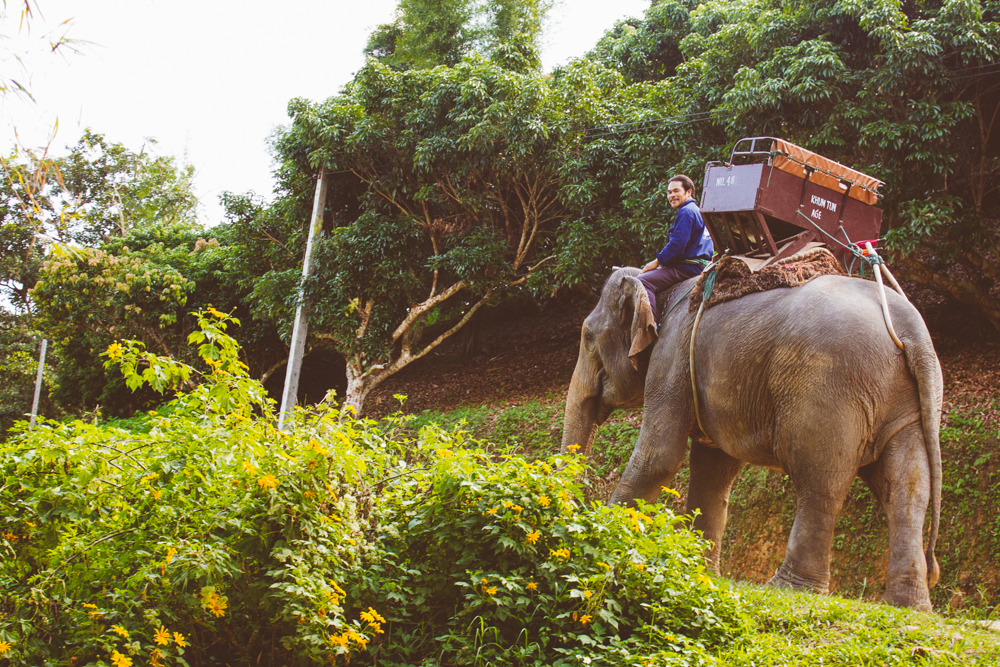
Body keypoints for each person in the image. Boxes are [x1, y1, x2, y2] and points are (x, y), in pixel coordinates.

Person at [637, 174, 714, 325]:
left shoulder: (686, 212)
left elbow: (677, 245)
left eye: (676, 191)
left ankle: (650, 328)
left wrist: (657, 261)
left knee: (642, 282)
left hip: (687, 268)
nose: (671, 195)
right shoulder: (696, 210)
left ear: (689, 192)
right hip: (701, 265)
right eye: (669, 192)